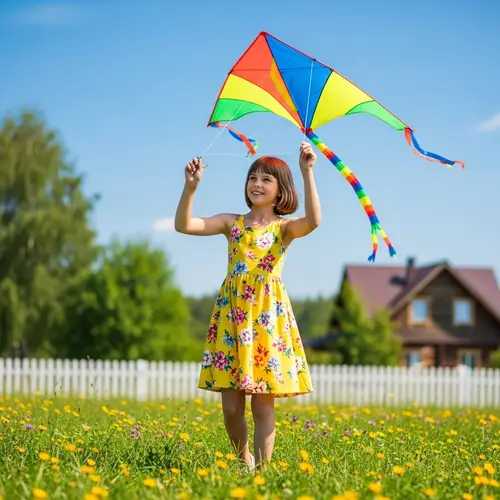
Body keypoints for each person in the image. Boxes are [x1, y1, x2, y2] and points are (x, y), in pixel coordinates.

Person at [174, 142, 321, 470]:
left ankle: (264, 472)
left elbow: (313, 220)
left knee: (262, 406)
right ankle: (244, 462)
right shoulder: (232, 223)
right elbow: (185, 225)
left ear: (281, 190)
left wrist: (307, 171)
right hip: (233, 319)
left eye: (266, 179)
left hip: (267, 319)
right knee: (230, 407)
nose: (256, 183)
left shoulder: (283, 229)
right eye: (252, 177)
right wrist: (190, 187)